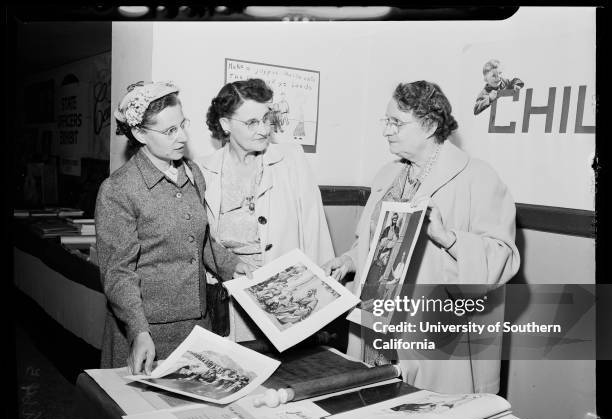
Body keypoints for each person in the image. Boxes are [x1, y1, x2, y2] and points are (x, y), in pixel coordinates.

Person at [323, 80, 520, 393]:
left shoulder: (478, 177)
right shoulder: (387, 175)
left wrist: (448, 238)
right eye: (386, 121)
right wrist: (348, 260)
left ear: (429, 125)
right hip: (377, 327)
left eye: (396, 123)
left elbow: (502, 257)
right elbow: (373, 243)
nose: (386, 130)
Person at [96, 81, 251, 374]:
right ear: (140, 133)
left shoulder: (192, 173)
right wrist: (139, 331)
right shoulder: (118, 190)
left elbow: (199, 240)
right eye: (169, 131)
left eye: (182, 124)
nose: (182, 136)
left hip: (196, 327)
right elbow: (118, 273)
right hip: (147, 332)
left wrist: (233, 266)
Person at [196, 78, 334, 341]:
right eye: (251, 122)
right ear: (226, 124)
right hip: (228, 299)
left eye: (266, 119)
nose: (263, 130)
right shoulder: (202, 170)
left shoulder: (292, 160)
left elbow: (315, 232)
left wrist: (320, 305)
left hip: (287, 299)